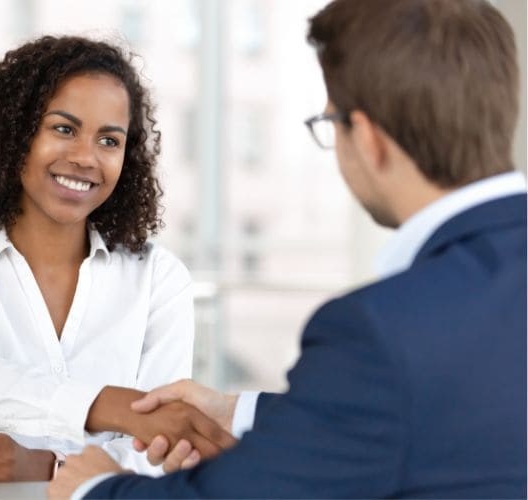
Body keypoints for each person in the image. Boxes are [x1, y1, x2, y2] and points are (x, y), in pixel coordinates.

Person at [49, 0, 527, 497]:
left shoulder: (382, 331)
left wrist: (92, 488)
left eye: (330, 125)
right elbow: (432, 404)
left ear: (366, 139)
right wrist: (237, 411)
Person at [0, 35, 234, 483]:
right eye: (64, 129)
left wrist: (51, 467)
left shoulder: (158, 278)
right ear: (15, 134)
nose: (84, 158)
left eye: (109, 140)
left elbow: (161, 450)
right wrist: (118, 410)